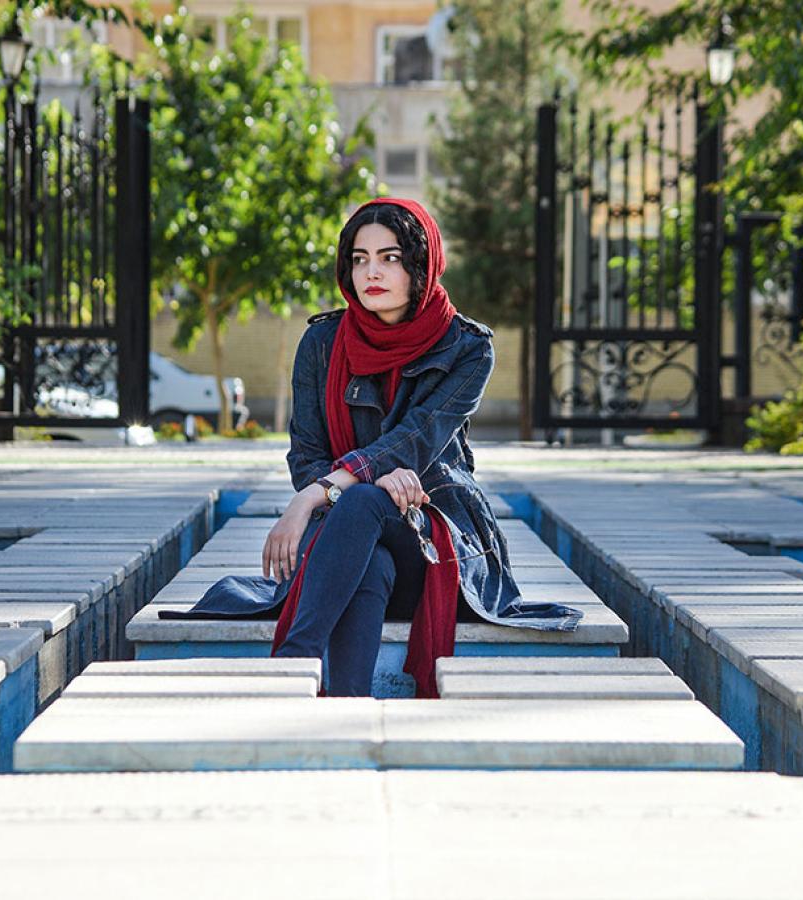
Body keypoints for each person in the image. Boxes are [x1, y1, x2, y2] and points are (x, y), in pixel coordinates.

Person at [159, 198, 581, 696]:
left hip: (435, 540)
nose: (371, 272)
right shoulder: (322, 343)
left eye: (390, 258)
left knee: (361, 503)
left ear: (421, 265)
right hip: (357, 547)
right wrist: (369, 479)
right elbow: (306, 453)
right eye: (359, 258)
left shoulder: (468, 348)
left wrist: (313, 496)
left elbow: (418, 439)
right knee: (369, 542)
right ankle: (346, 705)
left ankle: (294, 664)